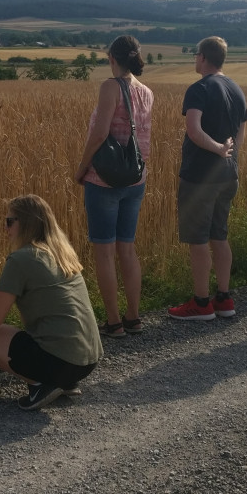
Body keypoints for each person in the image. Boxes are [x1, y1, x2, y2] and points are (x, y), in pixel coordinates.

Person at [0, 195, 103, 410]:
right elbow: (45, 285)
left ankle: (40, 384)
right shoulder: (62, 252)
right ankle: (62, 383)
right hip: (87, 361)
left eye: (10, 221)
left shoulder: (20, 259)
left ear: (26, 223)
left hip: (59, 363)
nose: (4, 227)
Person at [74, 35, 154, 339]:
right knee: (128, 249)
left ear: (112, 58)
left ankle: (113, 323)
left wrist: (81, 169)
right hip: (136, 178)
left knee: (105, 252)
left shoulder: (110, 86)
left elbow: (99, 134)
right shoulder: (146, 91)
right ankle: (133, 317)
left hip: (104, 179)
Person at [168, 36, 247, 321]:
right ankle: (224, 299)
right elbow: (240, 131)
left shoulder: (199, 88)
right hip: (228, 175)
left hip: (200, 175)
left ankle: (201, 302)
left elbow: (193, 129)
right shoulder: (236, 89)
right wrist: (230, 154)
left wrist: (217, 149)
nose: (194, 59)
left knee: (199, 239)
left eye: (195, 55)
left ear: (203, 57)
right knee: (219, 234)